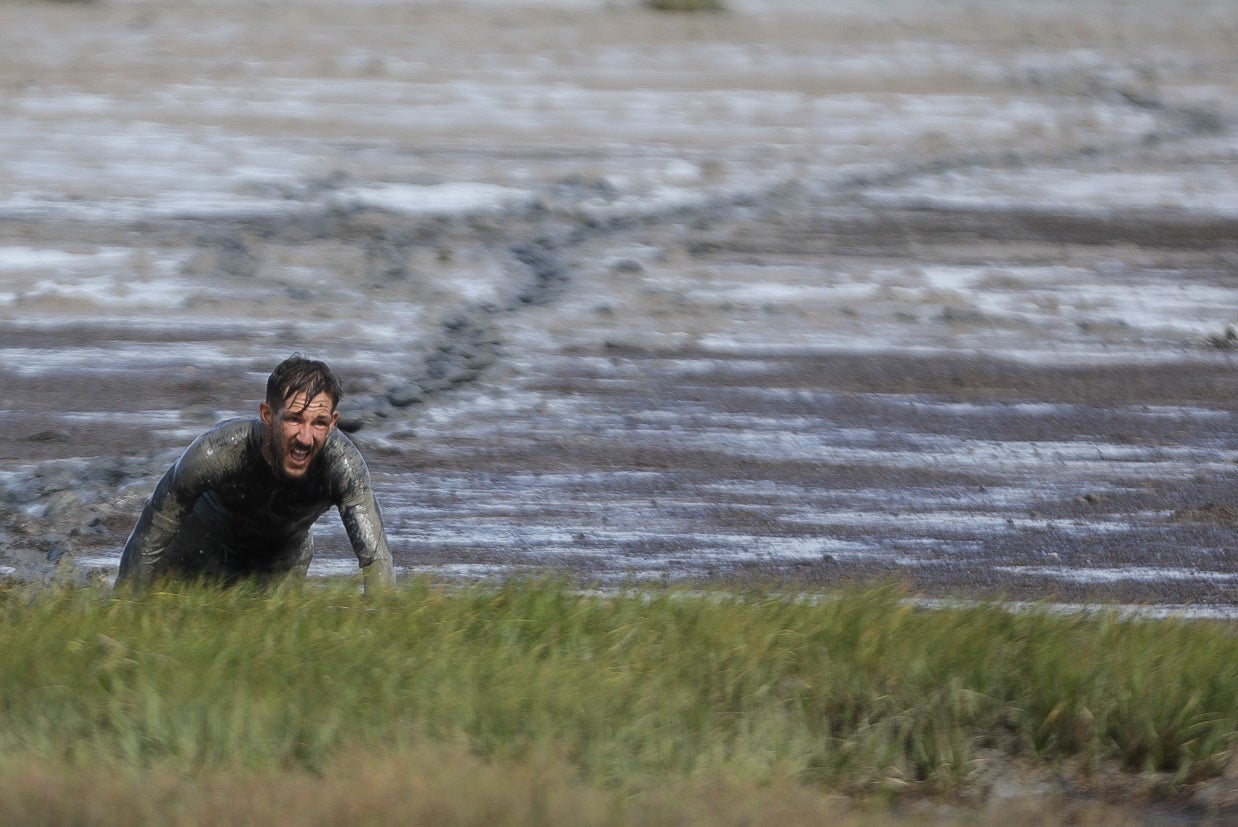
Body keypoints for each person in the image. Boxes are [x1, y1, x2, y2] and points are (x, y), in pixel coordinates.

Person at [116, 354, 395, 592]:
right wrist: (124, 605)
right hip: (195, 553)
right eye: (294, 419)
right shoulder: (217, 452)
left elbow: (376, 559)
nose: (306, 438)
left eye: (319, 423)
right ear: (267, 414)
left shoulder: (343, 467)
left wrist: (384, 632)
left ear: (333, 422)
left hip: (279, 566)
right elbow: (150, 534)